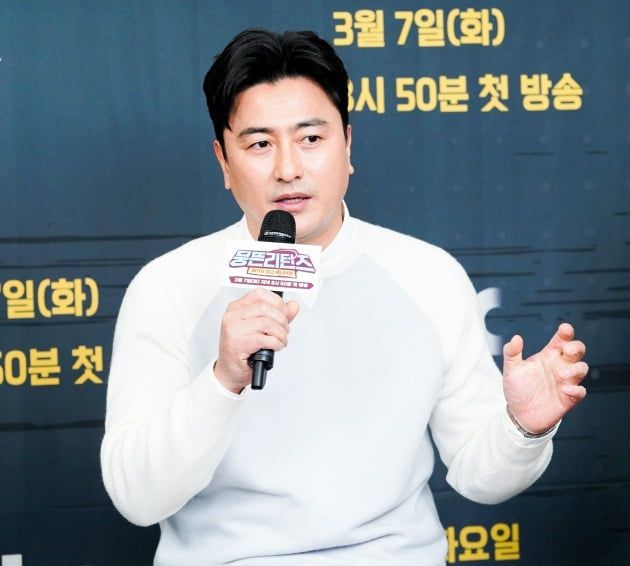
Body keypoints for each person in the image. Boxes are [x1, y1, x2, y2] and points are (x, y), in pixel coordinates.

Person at [100, 29, 588, 565]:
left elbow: (481, 476)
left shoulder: (427, 275)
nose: (288, 168)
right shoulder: (169, 287)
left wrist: (523, 428)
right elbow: (137, 497)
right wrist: (222, 380)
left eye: (311, 138)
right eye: (260, 144)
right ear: (224, 162)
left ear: (348, 146)